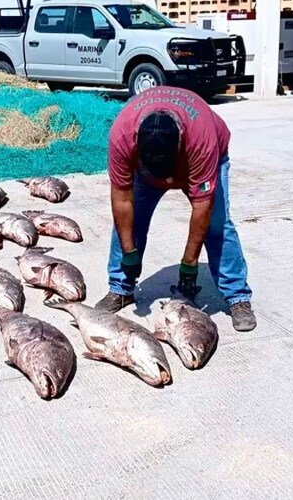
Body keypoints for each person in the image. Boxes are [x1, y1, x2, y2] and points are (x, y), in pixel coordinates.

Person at [96, 86, 256, 332]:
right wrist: (129, 252)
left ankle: (237, 297)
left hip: (203, 158)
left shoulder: (201, 139)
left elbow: (203, 207)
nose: (168, 183)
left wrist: (189, 263)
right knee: (129, 222)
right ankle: (121, 288)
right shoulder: (122, 135)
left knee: (217, 225)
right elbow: (121, 200)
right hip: (149, 170)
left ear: (181, 140)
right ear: (137, 142)